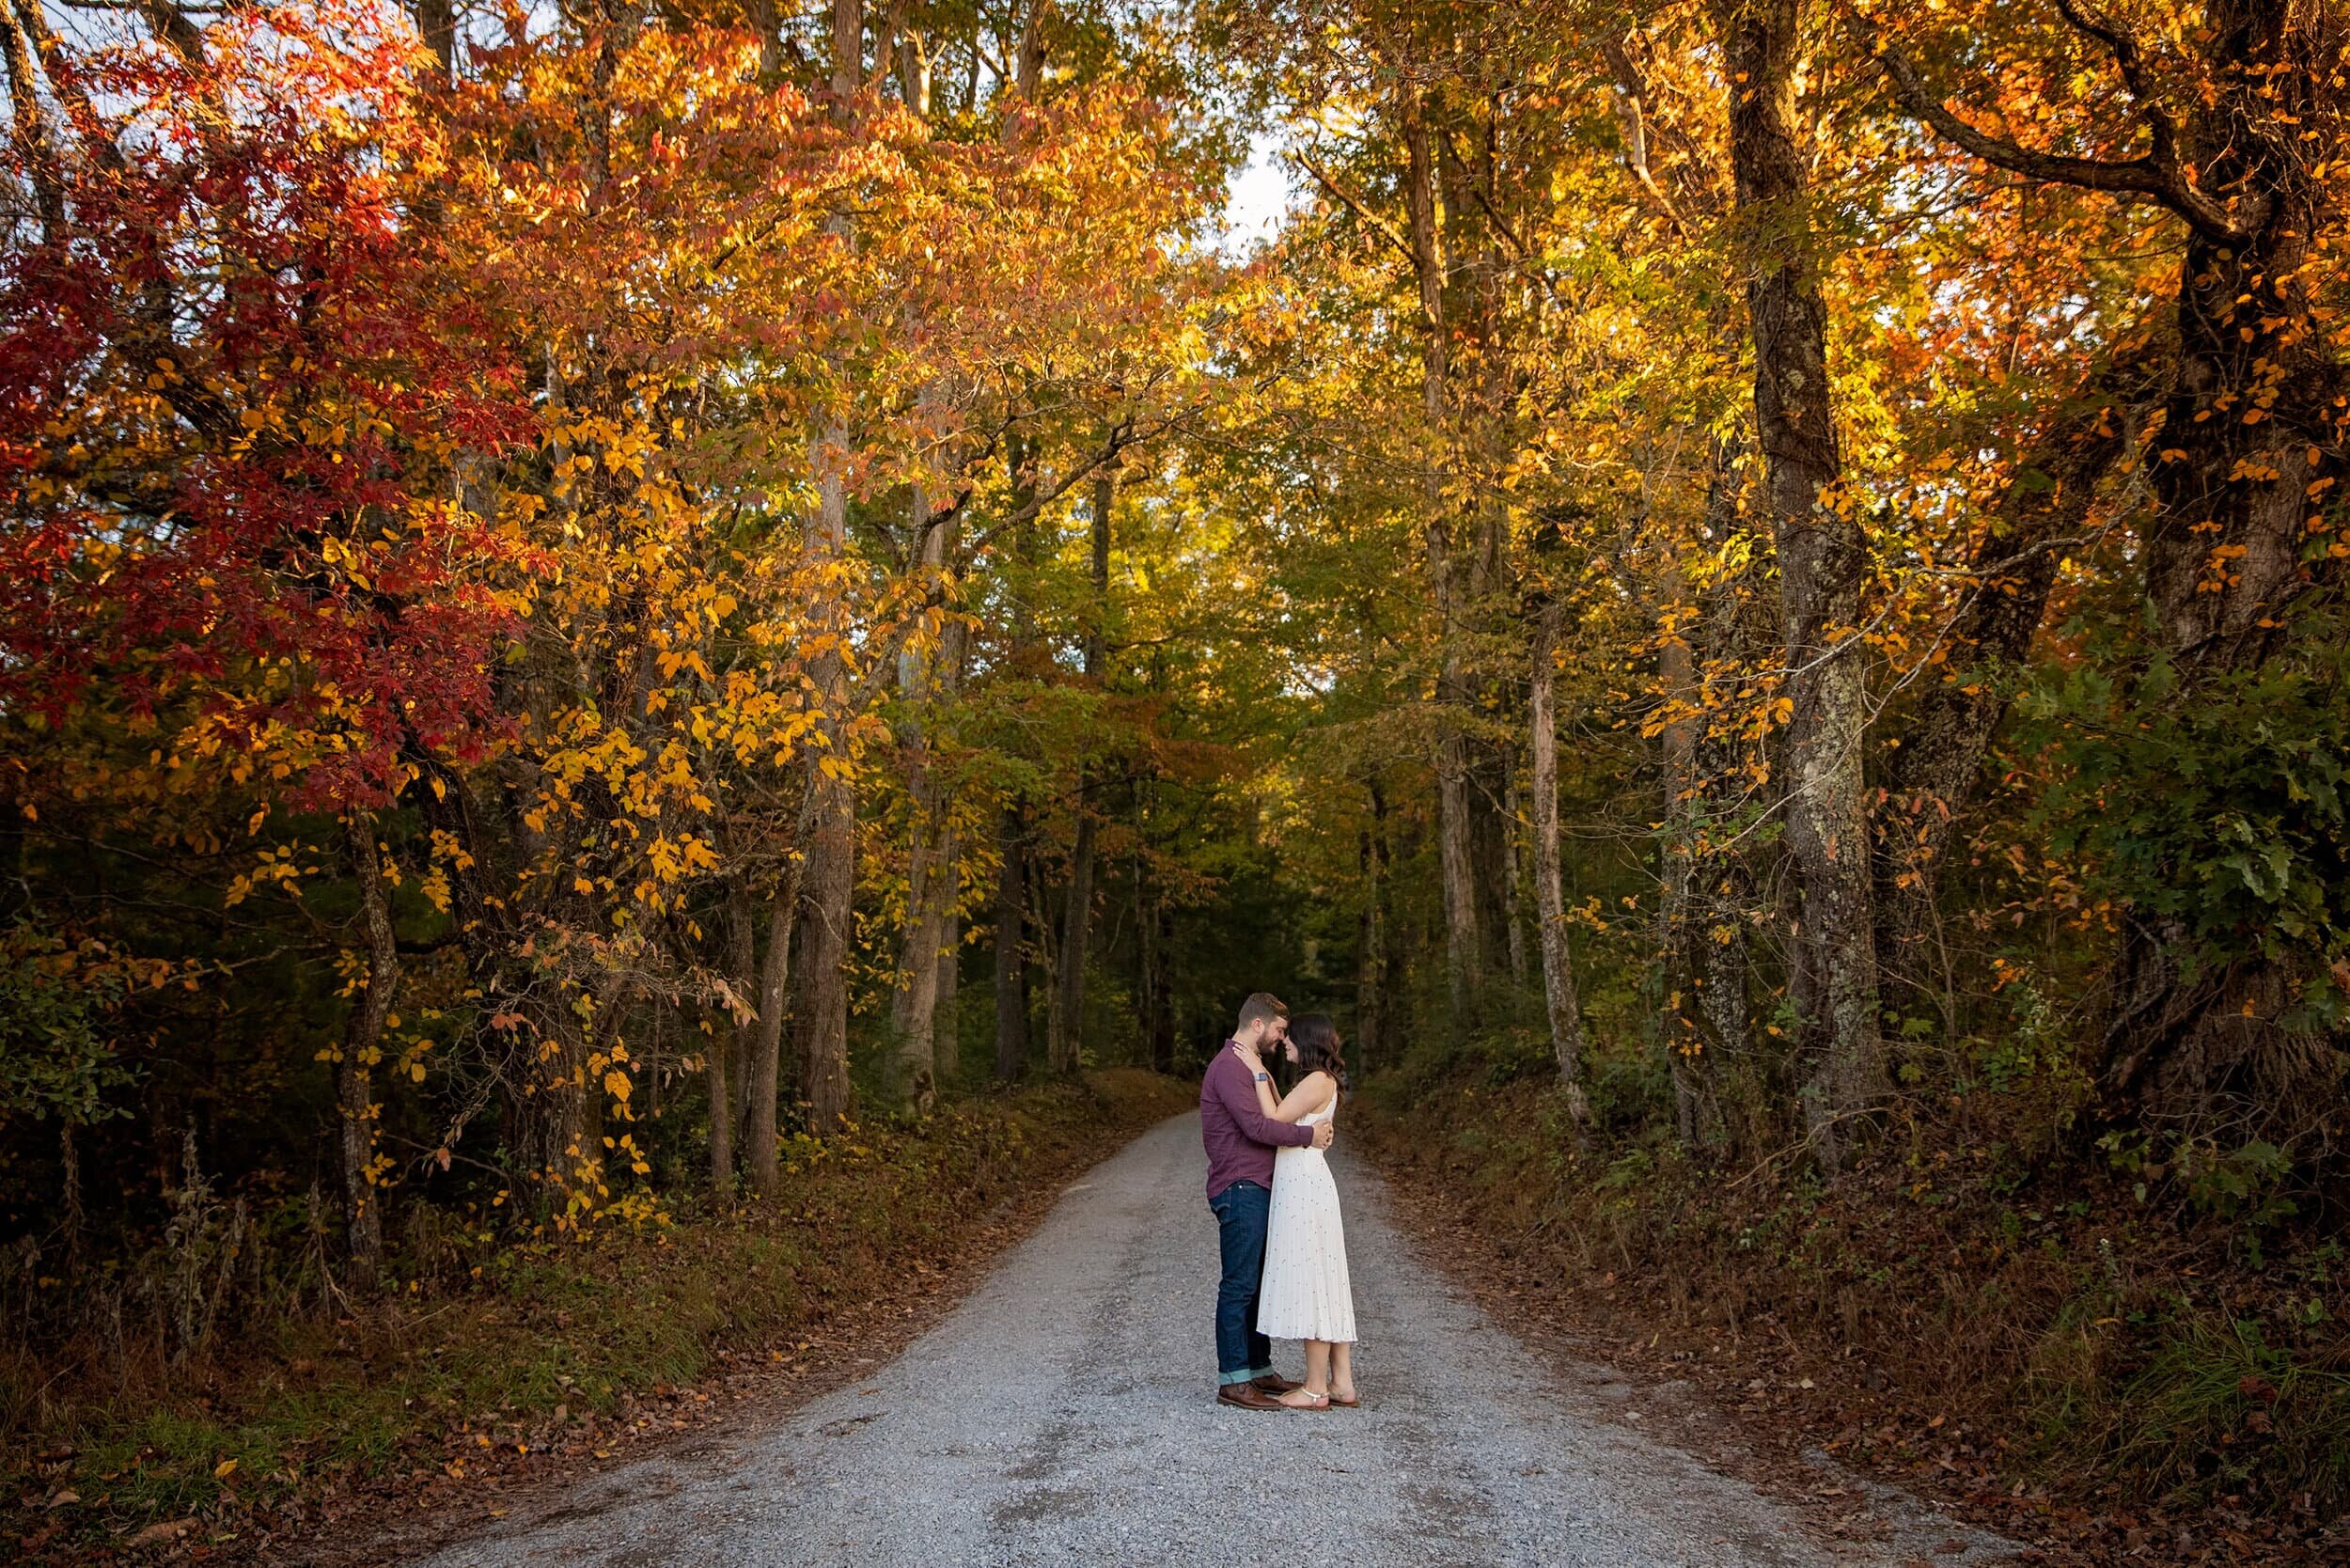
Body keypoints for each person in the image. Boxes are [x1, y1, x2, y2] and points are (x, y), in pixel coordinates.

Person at [1200, 992, 1334, 1411]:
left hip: (1257, 1186)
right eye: (1278, 1029)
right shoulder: (1228, 1068)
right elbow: (1260, 1126)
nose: (1282, 1037)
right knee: (1239, 1284)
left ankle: (1258, 1369)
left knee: (1257, 1283)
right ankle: (1233, 1379)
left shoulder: (1246, 1066)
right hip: (1240, 1187)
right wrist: (1307, 1137)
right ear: (1258, 1025)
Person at [1235, 1013, 1357, 1410]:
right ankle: (1341, 1383)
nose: (1285, 1042)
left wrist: (1256, 1071)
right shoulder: (1321, 1081)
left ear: (1307, 1042)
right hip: (1307, 1182)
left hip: (1304, 1187)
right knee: (1326, 1277)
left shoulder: (1316, 1081)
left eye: (1291, 1037)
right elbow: (1288, 1112)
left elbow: (1273, 1119)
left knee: (1312, 1279)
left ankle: (1315, 1387)